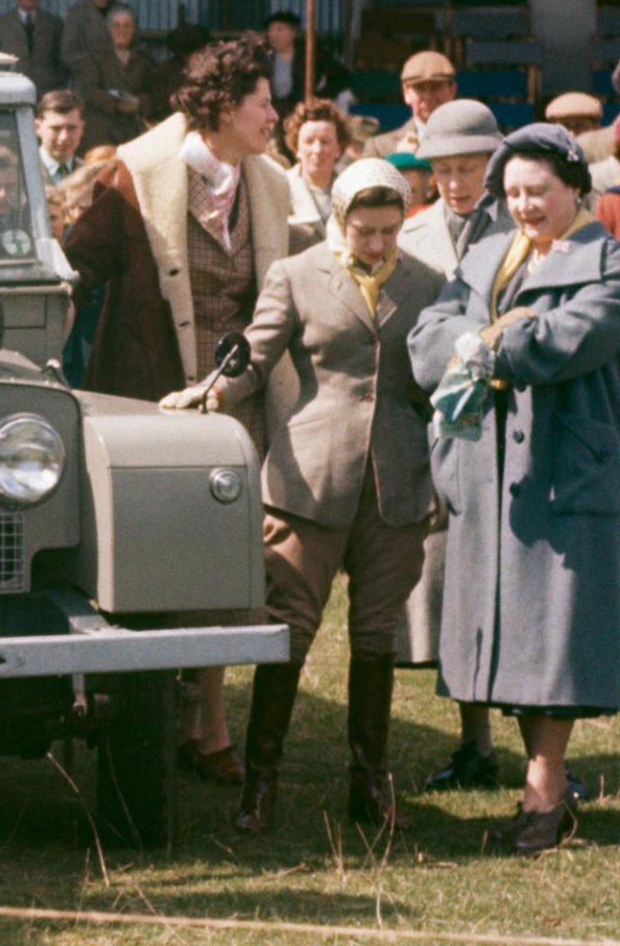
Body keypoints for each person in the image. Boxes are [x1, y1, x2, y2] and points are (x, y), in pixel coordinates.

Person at [164, 160, 442, 835]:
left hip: (397, 482)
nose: (376, 245)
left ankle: (369, 787)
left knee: (376, 637)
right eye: (363, 230)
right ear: (338, 221)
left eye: (388, 230)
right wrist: (212, 392)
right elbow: (255, 359)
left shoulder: (431, 283)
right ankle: (261, 788)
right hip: (309, 480)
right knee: (289, 633)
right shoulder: (295, 274)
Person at [64, 34, 293, 783]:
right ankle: (155, 715)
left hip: (237, 404)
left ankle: (208, 720)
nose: (275, 114)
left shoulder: (271, 182)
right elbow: (77, 261)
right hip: (154, 401)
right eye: (265, 101)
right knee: (160, 559)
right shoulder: (137, 172)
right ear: (226, 107)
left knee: (229, 562)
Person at [407, 124, 620, 855]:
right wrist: (475, 341)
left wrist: (485, 342)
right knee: (522, 642)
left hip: (563, 475)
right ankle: (547, 789)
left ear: (575, 192)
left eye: (541, 192)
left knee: (552, 640)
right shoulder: (488, 255)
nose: (526, 206)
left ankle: (544, 792)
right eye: (516, 193)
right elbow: (428, 335)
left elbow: (570, 340)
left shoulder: (610, 263)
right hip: (492, 479)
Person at [391, 99, 514, 794]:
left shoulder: (527, 227)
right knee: (456, 594)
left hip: (517, 433)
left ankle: (538, 749)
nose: (457, 183)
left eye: (469, 168)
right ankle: (475, 740)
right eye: (443, 171)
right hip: (443, 436)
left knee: (523, 590)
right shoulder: (413, 236)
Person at [69, 5, 153, 149]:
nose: (122, 31)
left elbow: (153, 89)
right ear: (109, 29)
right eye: (116, 26)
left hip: (133, 128)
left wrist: (139, 102)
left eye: (127, 26)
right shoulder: (95, 55)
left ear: (134, 29)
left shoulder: (144, 57)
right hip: (101, 129)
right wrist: (117, 105)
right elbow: (88, 90)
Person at [283, 100, 352, 246]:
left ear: (338, 148)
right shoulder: (280, 187)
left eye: (325, 142)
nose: (317, 150)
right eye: (309, 142)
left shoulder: (353, 189)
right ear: (297, 148)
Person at [366, 50, 457, 158]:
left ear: (452, 91)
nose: (428, 97)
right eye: (420, 89)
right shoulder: (381, 149)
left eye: (436, 87)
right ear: (406, 93)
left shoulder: (473, 142)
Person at [264, 10, 351, 113]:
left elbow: (342, 76)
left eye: (280, 30)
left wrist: (319, 97)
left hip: (304, 110)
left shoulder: (311, 55)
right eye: (271, 30)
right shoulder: (264, 57)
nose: (273, 34)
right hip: (274, 110)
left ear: (293, 33)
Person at [0, 0, 65, 93]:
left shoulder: (54, 23)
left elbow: (62, 57)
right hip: (10, 87)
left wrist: (56, 82)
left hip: (46, 88)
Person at [60, 0, 123, 75]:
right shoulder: (77, 13)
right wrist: (94, 63)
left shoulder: (124, 11)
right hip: (87, 78)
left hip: (119, 77)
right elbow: (67, 54)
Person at [34, 90, 86, 184]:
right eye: (56, 128)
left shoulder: (91, 177)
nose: (64, 137)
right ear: (37, 128)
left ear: (81, 128)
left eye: (71, 128)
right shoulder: (20, 172)